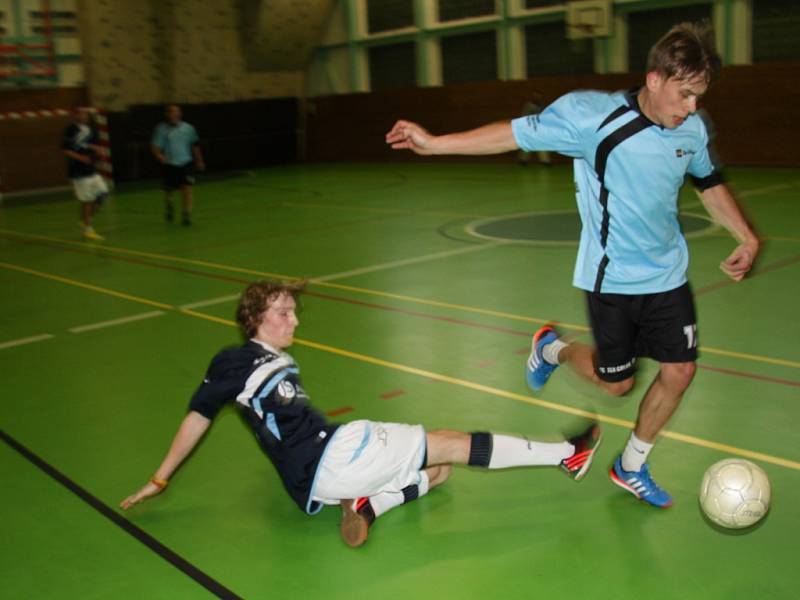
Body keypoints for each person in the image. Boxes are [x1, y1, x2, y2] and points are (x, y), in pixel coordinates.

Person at [385, 22, 759, 509]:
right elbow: (512, 135)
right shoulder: (591, 118)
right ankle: (552, 349)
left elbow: (708, 183)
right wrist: (434, 143)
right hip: (613, 279)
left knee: (680, 371)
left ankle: (631, 465)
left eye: (698, 97)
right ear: (654, 80)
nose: (691, 108)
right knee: (618, 383)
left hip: (668, 273)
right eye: (684, 95)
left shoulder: (691, 127)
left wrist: (745, 235)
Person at [120, 279, 601, 548]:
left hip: (318, 477)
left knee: (439, 472)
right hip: (334, 457)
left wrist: (288, 289)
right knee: (450, 442)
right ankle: (567, 454)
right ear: (254, 321)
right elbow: (197, 416)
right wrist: (160, 479)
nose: (295, 320)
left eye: (293, 311)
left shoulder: (268, 355)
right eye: (283, 313)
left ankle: (371, 504)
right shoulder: (235, 361)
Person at [151, 104, 205, 226]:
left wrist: (199, 160)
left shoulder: (188, 128)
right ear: (167, 115)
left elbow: (195, 145)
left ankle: (186, 214)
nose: (172, 115)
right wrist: (159, 155)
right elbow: (155, 146)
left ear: (179, 114)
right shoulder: (161, 129)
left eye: (175, 112)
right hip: (170, 164)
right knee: (169, 190)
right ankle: (169, 205)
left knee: (187, 188)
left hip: (186, 163)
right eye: (170, 112)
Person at [62, 107, 109, 241]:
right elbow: (65, 150)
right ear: (76, 115)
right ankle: (88, 229)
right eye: (82, 113)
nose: (85, 116)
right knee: (87, 200)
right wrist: (80, 158)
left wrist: (100, 155)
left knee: (103, 194)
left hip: (92, 170)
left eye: (86, 114)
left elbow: (94, 146)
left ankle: (85, 220)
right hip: (78, 172)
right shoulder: (71, 130)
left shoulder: (91, 130)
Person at [518, 94, 552, 167]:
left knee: (542, 144)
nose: (537, 98)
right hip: (529, 128)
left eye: (538, 96)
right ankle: (523, 160)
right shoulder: (528, 106)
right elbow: (524, 117)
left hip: (539, 128)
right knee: (527, 145)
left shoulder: (542, 106)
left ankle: (545, 161)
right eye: (535, 96)